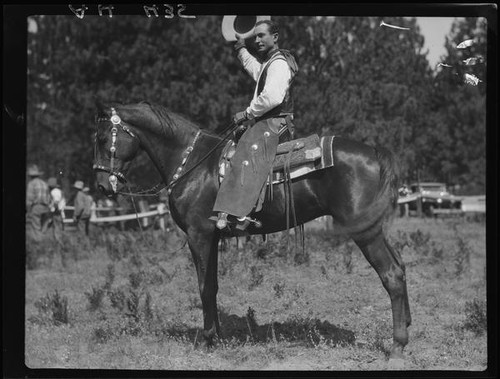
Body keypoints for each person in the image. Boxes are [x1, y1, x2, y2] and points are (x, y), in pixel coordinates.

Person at [212, 19, 298, 230]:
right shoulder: (270, 63)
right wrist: (241, 49)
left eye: (262, 35)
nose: (257, 40)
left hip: (275, 122)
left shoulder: (278, 63)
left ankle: (239, 213)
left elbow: (272, 97)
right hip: (268, 120)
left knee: (247, 150)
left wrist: (247, 113)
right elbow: (257, 71)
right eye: (255, 36)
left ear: (275, 37)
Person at [26, 164, 51, 240]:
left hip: (36, 206)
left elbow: (29, 198)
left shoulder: (31, 184)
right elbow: (49, 197)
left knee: (36, 227)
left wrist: (28, 209)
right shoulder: (44, 184)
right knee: (44, 227)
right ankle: (44, 242)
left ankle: (38, 244)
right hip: (46, 207)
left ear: (31, 176)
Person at [47, 177, 66, 243]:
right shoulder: (59, 191)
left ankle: (58, 246)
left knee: (57, 231)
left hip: (56, 213)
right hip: (59, 213)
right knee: (58, 230)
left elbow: (56, 202)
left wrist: (55, 211)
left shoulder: (54, 192)